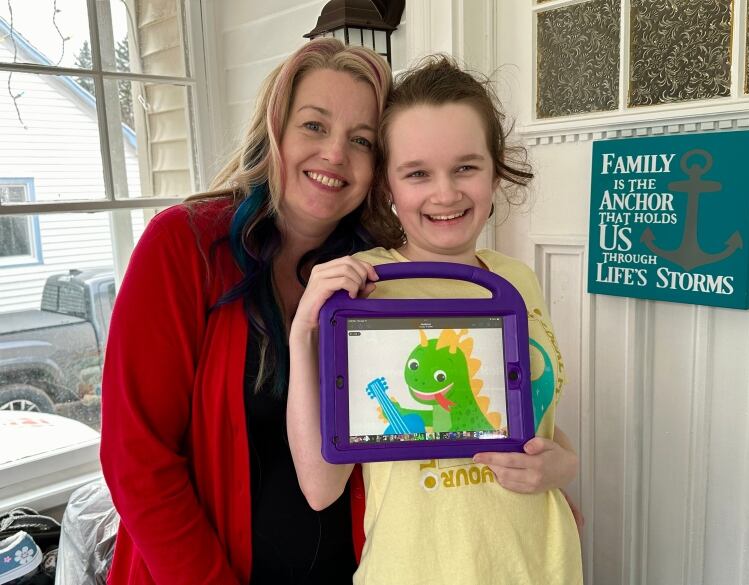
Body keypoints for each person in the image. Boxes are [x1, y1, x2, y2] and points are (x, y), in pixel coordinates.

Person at [99, 38, 399, 584]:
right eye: (314, 125)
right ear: (274, 130)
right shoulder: (184, 245)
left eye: (362, 140)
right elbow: (136, 461)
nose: (335, 153)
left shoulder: (380, 271)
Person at [287, 55, 583, 584]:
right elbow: (320, 487)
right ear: (389, 188)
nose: (445, 193)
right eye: (418, 173)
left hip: (542, 564)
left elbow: (545, 427)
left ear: (495, 171)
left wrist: (563, 468)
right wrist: (303, 334)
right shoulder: (363, 290)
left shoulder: (518, 280)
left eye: (466, 167)